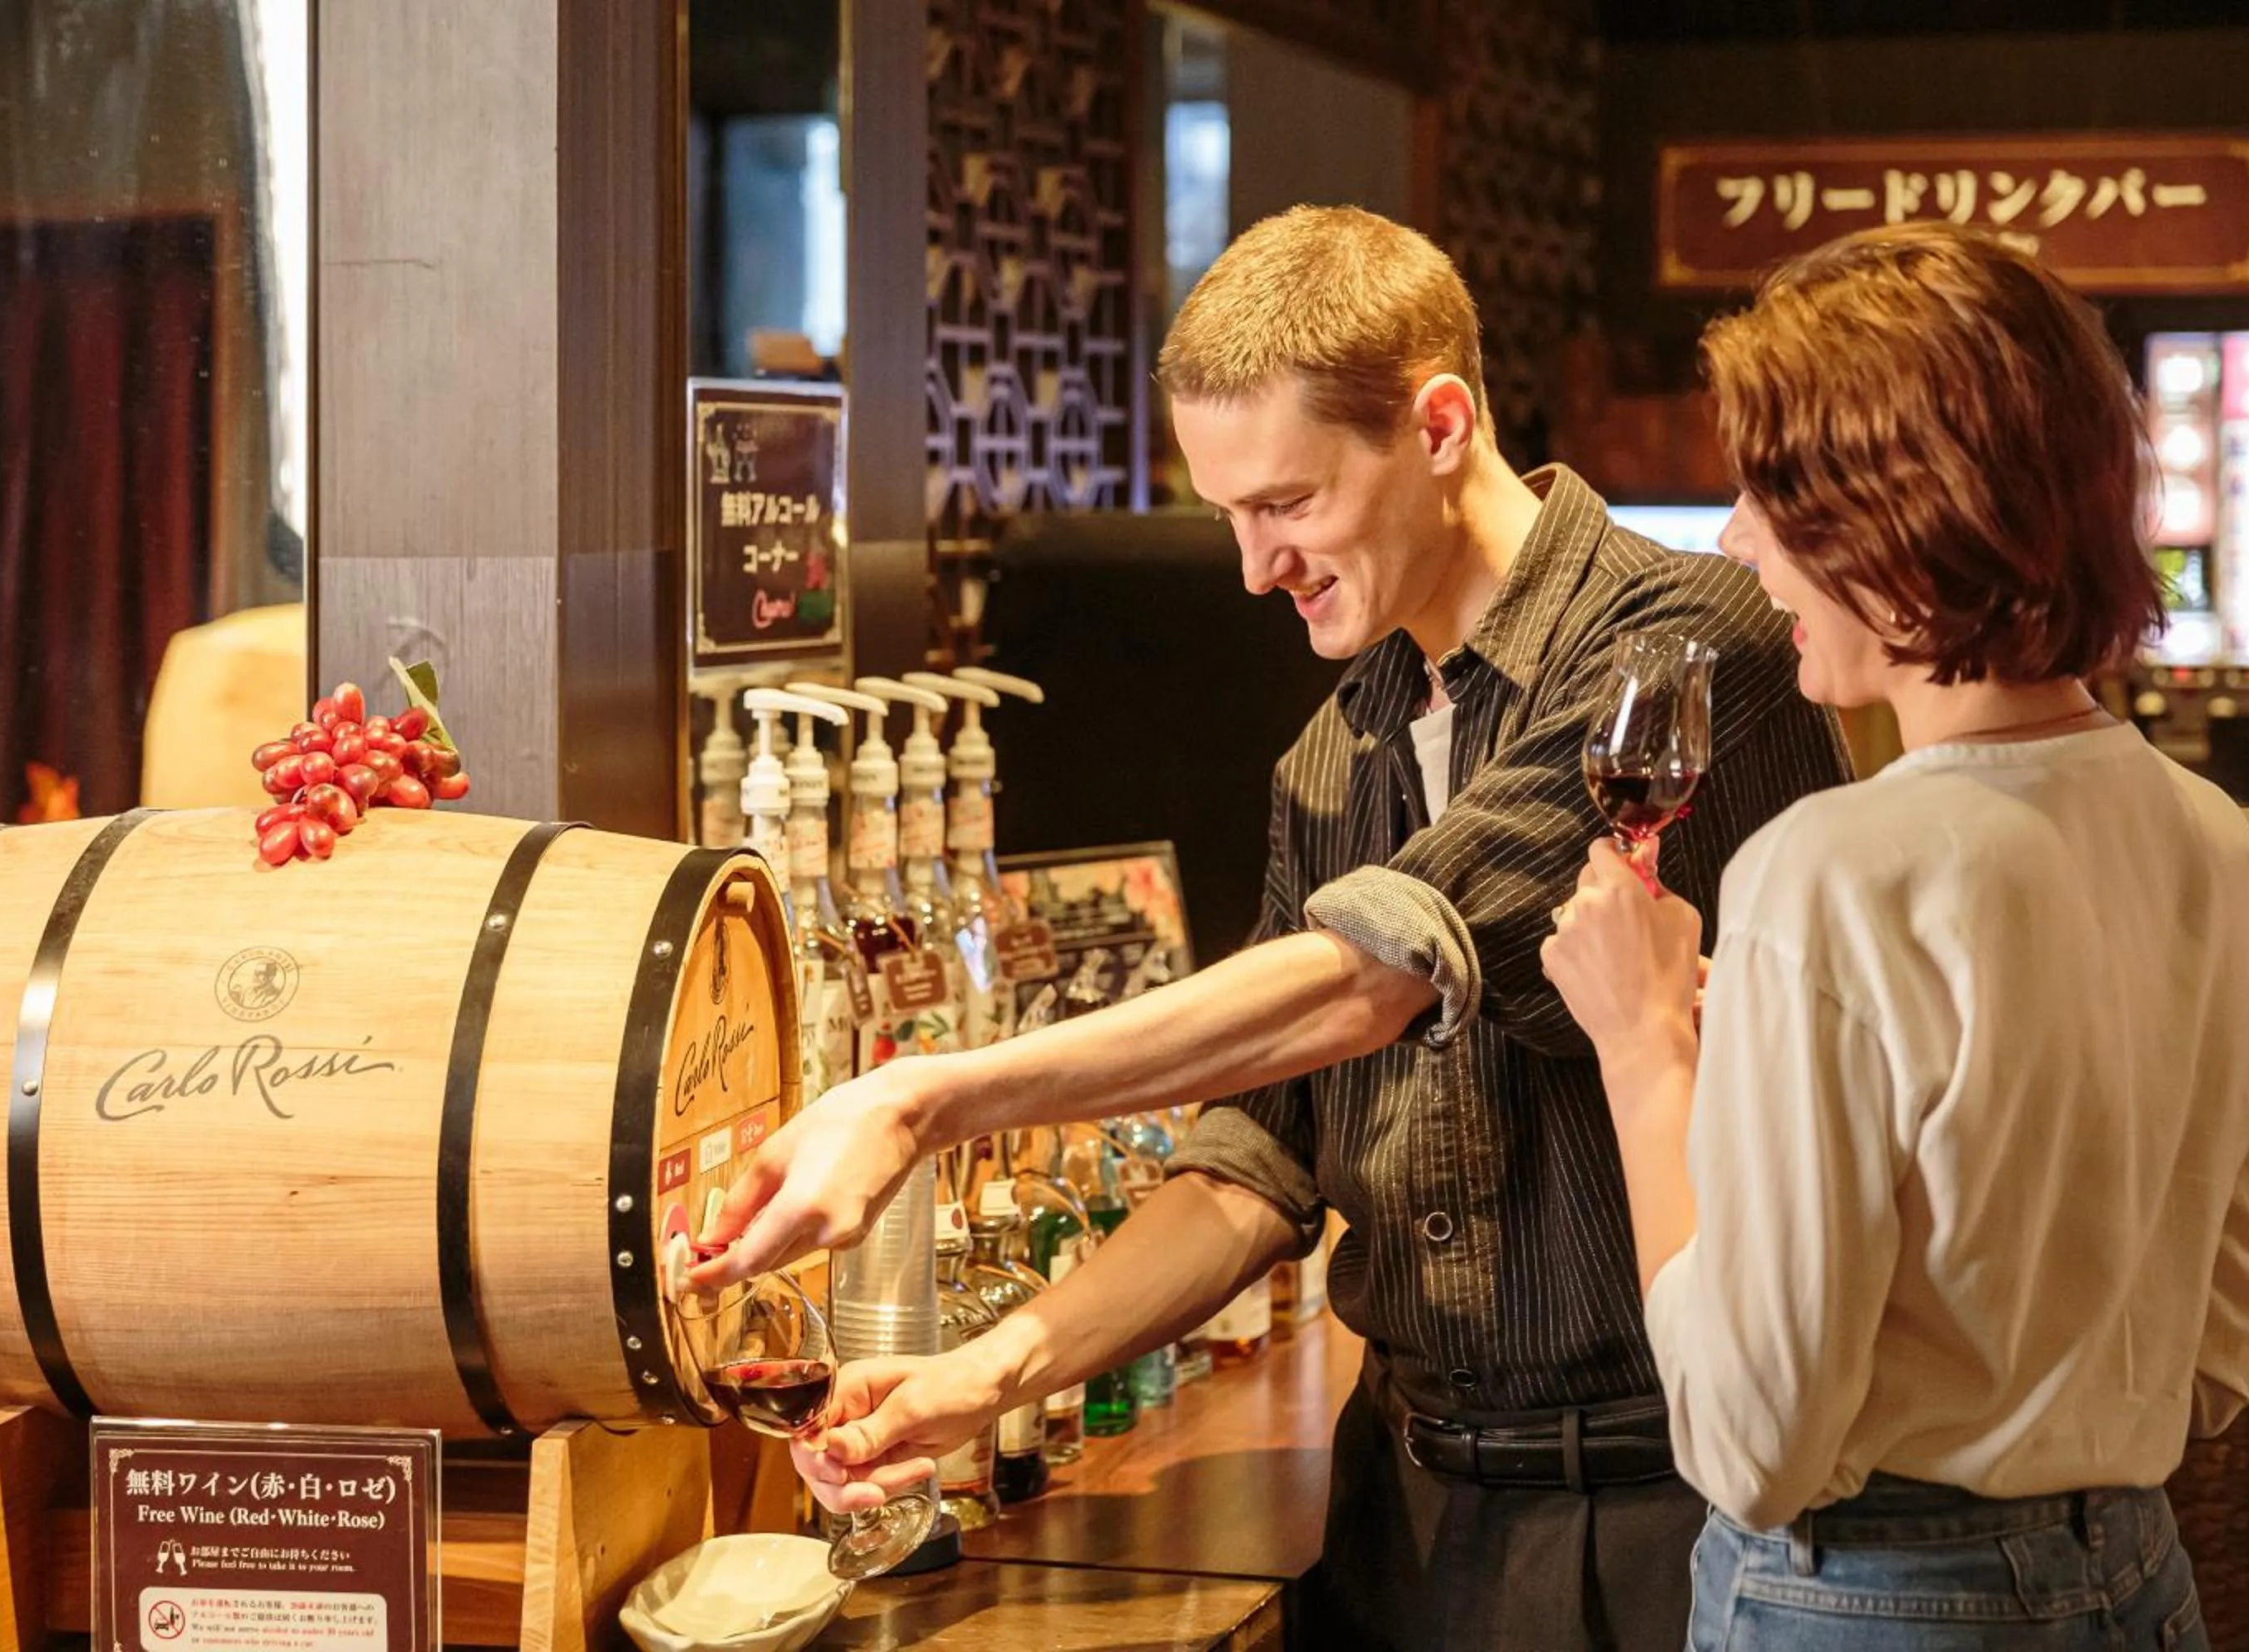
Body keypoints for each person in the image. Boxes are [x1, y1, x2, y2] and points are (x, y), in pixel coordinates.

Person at [693, 205, 1851, 1650]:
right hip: (1407, 1506)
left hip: (1671, 1506)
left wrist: (922, 1099)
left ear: (1438, 425)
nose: (1255, 568)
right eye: (1228, 514)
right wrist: (986, 1377)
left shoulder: (1677, 660)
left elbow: (1375, 977)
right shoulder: (1335, 753)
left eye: (1288, 504)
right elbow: (1254, 1163)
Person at [1538, 222, 2249, 1650]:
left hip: (1870, 1601)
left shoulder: (1829, 872)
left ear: (1900, 520)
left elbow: (1749, 1444)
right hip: (2138, 1581)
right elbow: (2209, 1367)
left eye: (1772, 496)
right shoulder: (2212, 844)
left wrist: (1644, 1050)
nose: (1740, 541)